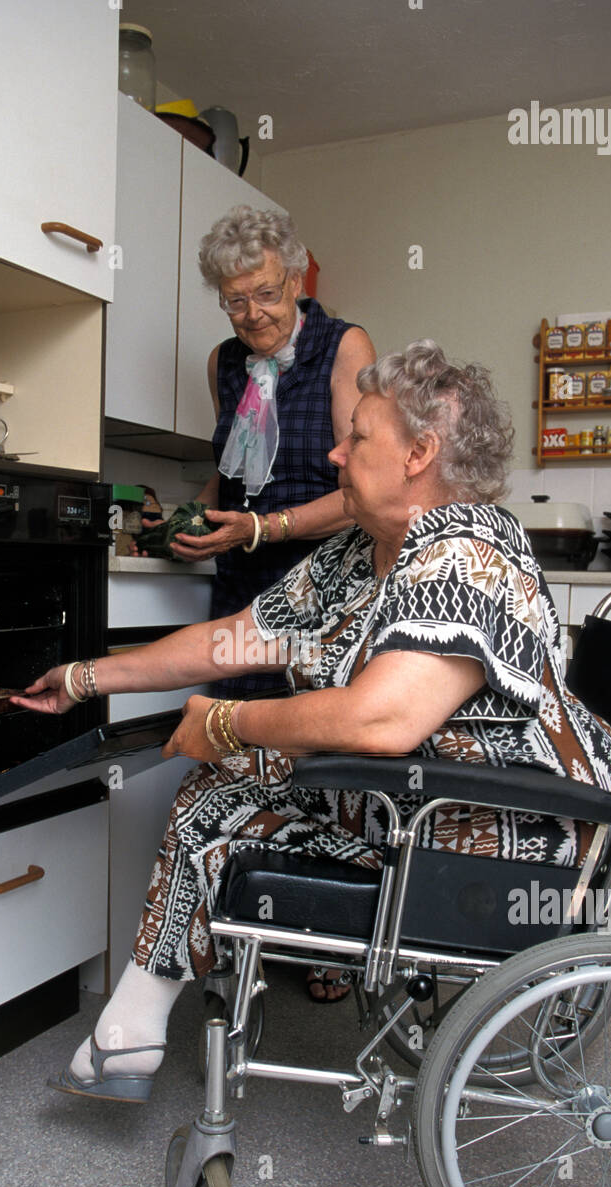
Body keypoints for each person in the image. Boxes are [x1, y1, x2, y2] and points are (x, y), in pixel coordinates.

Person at [12, 341, 611, 1103]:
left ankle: (129, 1033)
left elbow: (383, 719)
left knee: (228, 765)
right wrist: (85, 677)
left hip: (496, 830)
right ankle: (130, 1035)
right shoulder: (357, 555)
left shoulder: (468, 555)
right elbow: (231, 640)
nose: (335, 452)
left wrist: (231, 724)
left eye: (357, 436)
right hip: (402, 803)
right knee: (216, 787)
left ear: (419, 453)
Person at [161, 203, 376, 1000]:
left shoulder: (341, 344)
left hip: (325, 572)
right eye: (233, 299)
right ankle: (235, 923)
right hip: (246, 571)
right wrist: (192, 517)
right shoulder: (224, 361)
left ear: (296, 277)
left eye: (262, 293)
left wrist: (262, 526)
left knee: (318, 751)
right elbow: (231, 468)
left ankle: (333, 939)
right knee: (233, 741)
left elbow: (362, 489)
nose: (250, 313)